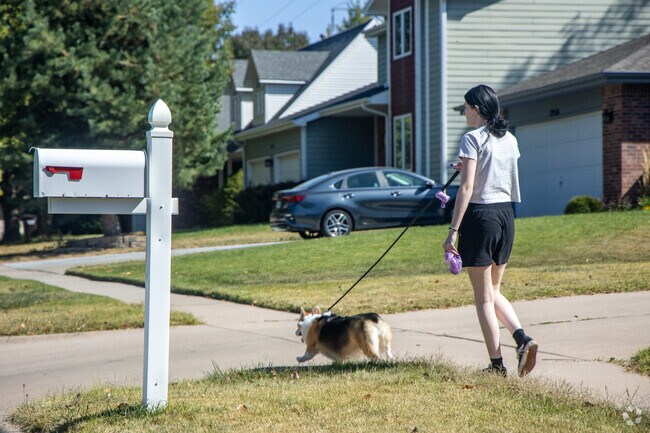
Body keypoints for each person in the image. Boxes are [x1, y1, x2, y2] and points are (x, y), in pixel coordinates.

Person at [442, 84, 537, 377]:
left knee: (483, 298)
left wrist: (453, 231)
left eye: (467, 108)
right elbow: (495, 172)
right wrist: (469, 164)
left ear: (478, 110)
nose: (465, 113)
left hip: (481, 217)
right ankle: (522, 339)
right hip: (507, 215)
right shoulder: (509, 139)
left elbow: (467, 188)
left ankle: (497, 366)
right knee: (494, 290)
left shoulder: (472, 138)